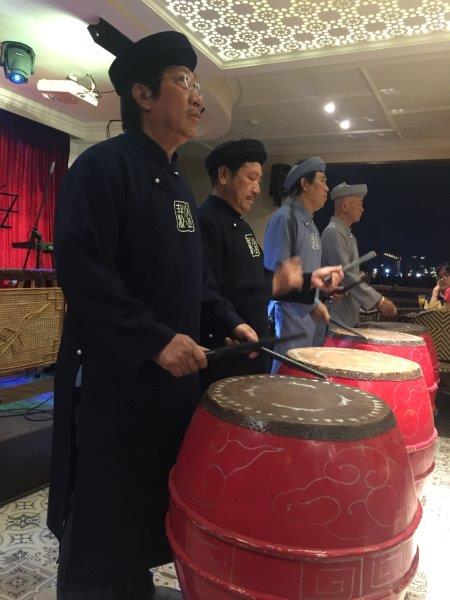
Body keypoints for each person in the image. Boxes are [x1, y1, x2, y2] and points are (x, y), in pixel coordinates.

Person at [47, 31, 241, 600]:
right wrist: (154, 339)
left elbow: (191, 276)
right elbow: (82, 270)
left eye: (196, 83)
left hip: (167, 382)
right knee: (104, 510)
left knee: (146, 503)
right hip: (115, 379)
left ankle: (131, 587)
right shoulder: (105, 167)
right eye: (183, 81)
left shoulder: (179, 179)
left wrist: (227, 319)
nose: (197, 95)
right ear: (143, 94)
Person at [198, 140, 343, 387]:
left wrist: (309, 281)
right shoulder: (206, 220)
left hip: (252, 351)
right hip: (228, 353)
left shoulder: (241, 225)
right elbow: (204, 289)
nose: (256, 189)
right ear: (223, 175)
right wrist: (232, 323)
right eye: (251, 178)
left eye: (259, 180)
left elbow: (259, 280)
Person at [263, 157, 332, 364]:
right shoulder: (284, 218)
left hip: (308, 318)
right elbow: (278, 276)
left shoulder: (310, 224)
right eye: (323, 181)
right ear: (304, 183)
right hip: (288, 319)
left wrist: (322, 291)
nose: (327, 188)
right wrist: (313, 304)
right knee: (284, 382)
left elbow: (307, 273)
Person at [320, 182, 397, 330]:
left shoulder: (348, 235)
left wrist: (358, 275)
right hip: (335, 316)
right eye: (360, 203)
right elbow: (345, 275)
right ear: (345, 206)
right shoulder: (333, 232)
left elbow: (348, 274)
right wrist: (379, 301)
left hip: (347, 315)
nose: (363, 209)